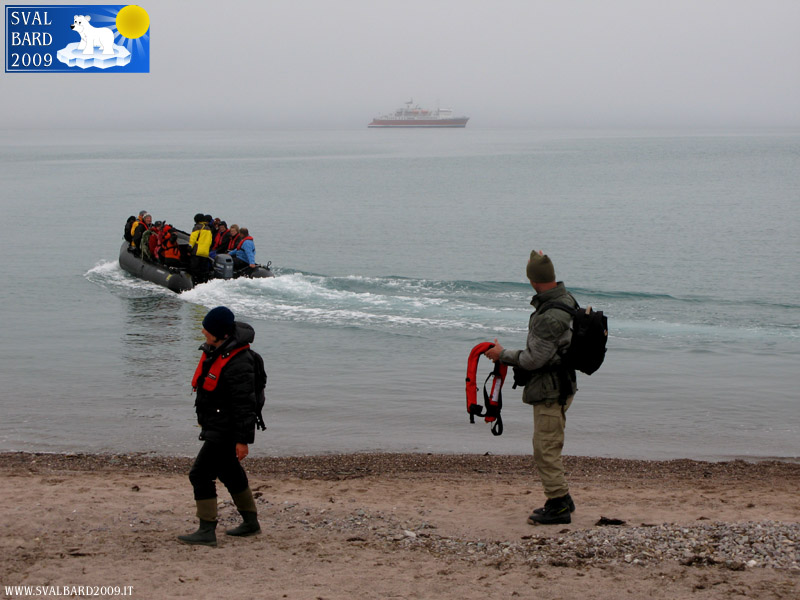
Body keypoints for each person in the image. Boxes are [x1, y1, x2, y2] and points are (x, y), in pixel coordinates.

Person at [485, 250, 578, 525]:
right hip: (563, 384)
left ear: (532, 280)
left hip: (551, 390)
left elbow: (533, 359)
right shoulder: (566, 299)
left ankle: (558, 506)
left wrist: (501, 354)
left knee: (545, 448)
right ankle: (563, 498)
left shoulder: (549, 316)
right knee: (549, 444)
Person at [178, 306, 261, 546]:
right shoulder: (218, 350)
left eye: (207, 330)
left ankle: (206, 530)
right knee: (229, 471)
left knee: (199, 475)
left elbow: (245, 405)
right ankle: (251, 523)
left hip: (226, 430)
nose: (203, 333)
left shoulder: (240, 362)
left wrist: (243, 441)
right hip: (217, 424)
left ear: (221, 334)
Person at [189, 213, 213, 283]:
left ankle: (194, 282)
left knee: (194, 269)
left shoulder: (197, 227)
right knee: (203, 270)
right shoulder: (208, 228)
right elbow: (210, 241)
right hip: (205, 253)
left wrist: (189, 248)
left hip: (197, 252)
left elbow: (192, 239)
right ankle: (203, 281)